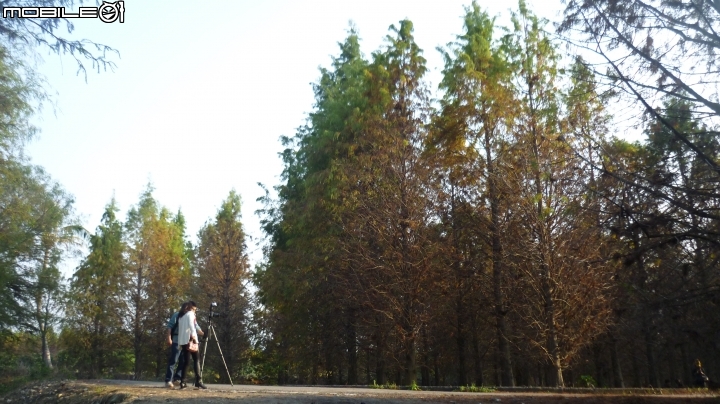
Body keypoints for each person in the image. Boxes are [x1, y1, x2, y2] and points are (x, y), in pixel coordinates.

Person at [164, 302, 204, 388]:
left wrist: (203, 333)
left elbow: (196, 326)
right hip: (176, 339)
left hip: (186, 340)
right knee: (174, 360)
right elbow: (170, 326)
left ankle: (177, 378)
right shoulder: (178, 315)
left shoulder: (190, 316)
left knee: (183, 361)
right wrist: (169, 338)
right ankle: (168, 380)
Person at [177, 300, 207, 390]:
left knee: (186, 362)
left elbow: (181, 330)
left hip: (183, 341)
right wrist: (194, 337)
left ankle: (183, 382)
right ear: (192, 308)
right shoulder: (191, 314)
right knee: (197, 360)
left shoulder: (181, 317)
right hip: (190, 339)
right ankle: (199, 381)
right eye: (195, 309)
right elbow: (192, 326)